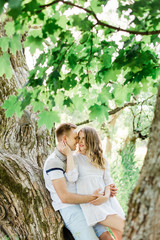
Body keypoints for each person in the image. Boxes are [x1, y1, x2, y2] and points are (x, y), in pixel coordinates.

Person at [43, 123, 117, 240]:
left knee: (107, 237)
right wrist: (94, 198)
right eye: (76, 138)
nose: (78, 141)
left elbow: (91, 177)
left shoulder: (72, 157)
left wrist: (108, 188)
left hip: (85, 206)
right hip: (71, 209)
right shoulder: (54, 162)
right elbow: (65, 197)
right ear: (64, 139)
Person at [62, 126, 125, 240]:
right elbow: (71, 177)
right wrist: (69, 155)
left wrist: (106, 197)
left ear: (91, 139)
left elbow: (108, 181)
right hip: (94, 205)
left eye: (83, 138)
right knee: (126, 227)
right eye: (79, 138)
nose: (79, 141)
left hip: (108, 201)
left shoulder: (102, 158)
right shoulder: (75, 158)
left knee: (122, 234)